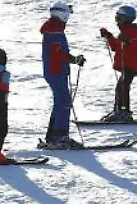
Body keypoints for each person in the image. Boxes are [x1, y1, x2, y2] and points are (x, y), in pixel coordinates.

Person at [41, 1, 86, 149]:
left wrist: (73, 59)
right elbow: (59, 54)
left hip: (55, 71)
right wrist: (73, 59)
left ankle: (53, 136)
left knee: (60, 102)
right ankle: (60, 136)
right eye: (67, 14)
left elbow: (60, 53)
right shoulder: (54, 32)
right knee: (64, 102)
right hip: (56, 71)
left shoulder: (55, 29)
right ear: (62, 14)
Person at [99, 6, 137, 122]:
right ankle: (119, 110)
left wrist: (127, 41)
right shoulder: (124, 32)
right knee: (120, 87)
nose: (117, 20)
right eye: (117, 18)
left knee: (122, 87)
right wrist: (108, 36)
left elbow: (136, 45)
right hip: (127, 64)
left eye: (119, 18)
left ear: (127, 19)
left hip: (130, 64)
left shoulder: (133, 32)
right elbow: (116, 46)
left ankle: (124, 112)